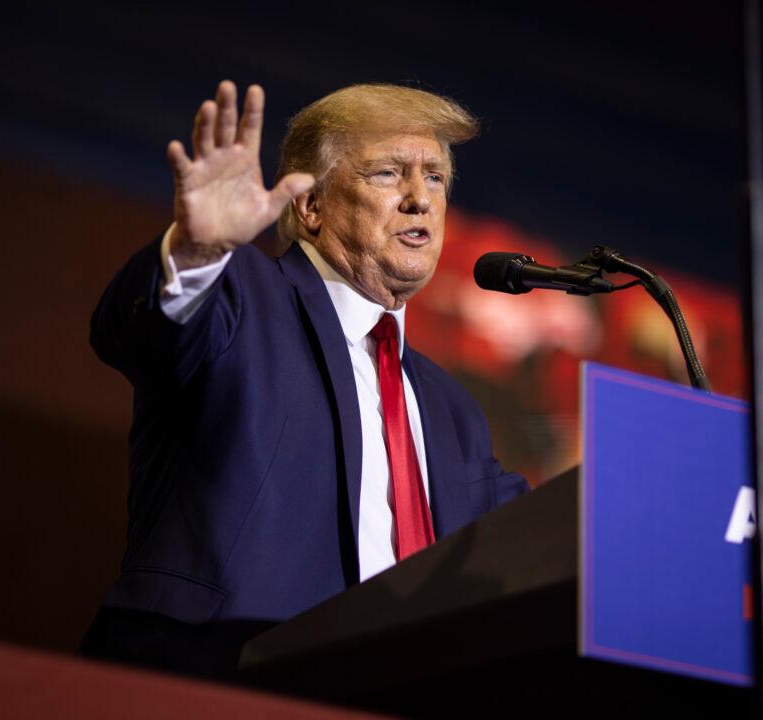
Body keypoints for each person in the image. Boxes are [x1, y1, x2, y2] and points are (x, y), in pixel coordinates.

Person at [80, 80, 529, 680]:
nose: (420, 198)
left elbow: (537, 539)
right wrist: (194, 252)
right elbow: (134, 331)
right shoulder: (241, 294)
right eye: (388, 174)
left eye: (435, 178)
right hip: (212, 682)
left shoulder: (453, 411)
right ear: (309, 206)